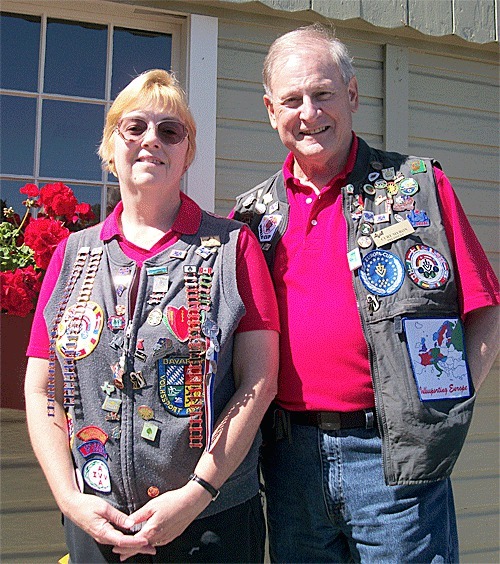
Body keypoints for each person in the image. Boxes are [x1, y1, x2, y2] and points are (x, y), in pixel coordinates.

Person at [232, 24, 499, 563]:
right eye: (291, 100)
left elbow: (484, 308)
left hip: (394, 458)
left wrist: (443, 410)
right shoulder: (251, 217)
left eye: (323, 93)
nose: (309, 112)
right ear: (269, 110)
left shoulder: (417, 184)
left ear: (351, 95)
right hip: (290, 463)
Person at [25, 69, 279, 563]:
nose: (151, 141)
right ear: (110, 145)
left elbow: (260, 380)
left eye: (170, 130)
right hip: (96, 522)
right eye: (134, 127)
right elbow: (42, 388)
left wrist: (197, 492)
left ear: (187, 152)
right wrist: (69, 498)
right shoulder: (72, 255)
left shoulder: (232, 247)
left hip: (210, 524)